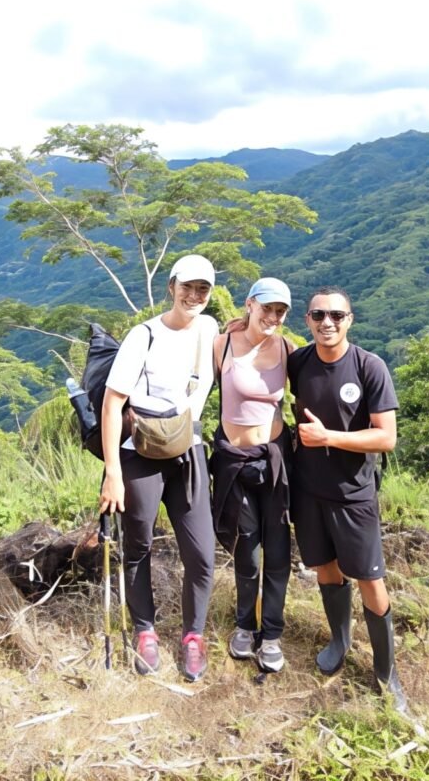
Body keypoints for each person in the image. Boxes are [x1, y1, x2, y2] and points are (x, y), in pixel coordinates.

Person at [98, 254, 219, 682]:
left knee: (202, 554)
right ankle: (145, 630)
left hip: (188, 453)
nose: (193, 295)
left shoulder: (209, 329)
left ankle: (193, 636)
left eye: (202, 289)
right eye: (187, 287)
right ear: (171, 286)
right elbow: (113, 405)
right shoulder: (143, 335)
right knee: (139, 546)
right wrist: (113, 471)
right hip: (140, 454)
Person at [288, 286, 408, 712]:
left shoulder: (368, 367)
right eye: (319, 315)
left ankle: (386, 672)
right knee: (325, 568)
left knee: (370, 579)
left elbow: (386, 437)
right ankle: (339, 640)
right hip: (308, 490)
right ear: (307, 320)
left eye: (337, 315)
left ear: (349, 320)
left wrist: (329, 438)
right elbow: (261, 349)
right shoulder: (298, 361)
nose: (327, 323)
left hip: (354, 495)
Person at [209, 278, 294, 673]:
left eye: (280, 311)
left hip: (275, 457)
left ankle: (272, 632)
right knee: (248, 549)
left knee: (277, 550)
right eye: (267, 308)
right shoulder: (222, 345)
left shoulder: (287, 350)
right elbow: (196, 390)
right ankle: (245, 623)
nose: (273, 317)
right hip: (235, 459)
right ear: (249, 305)